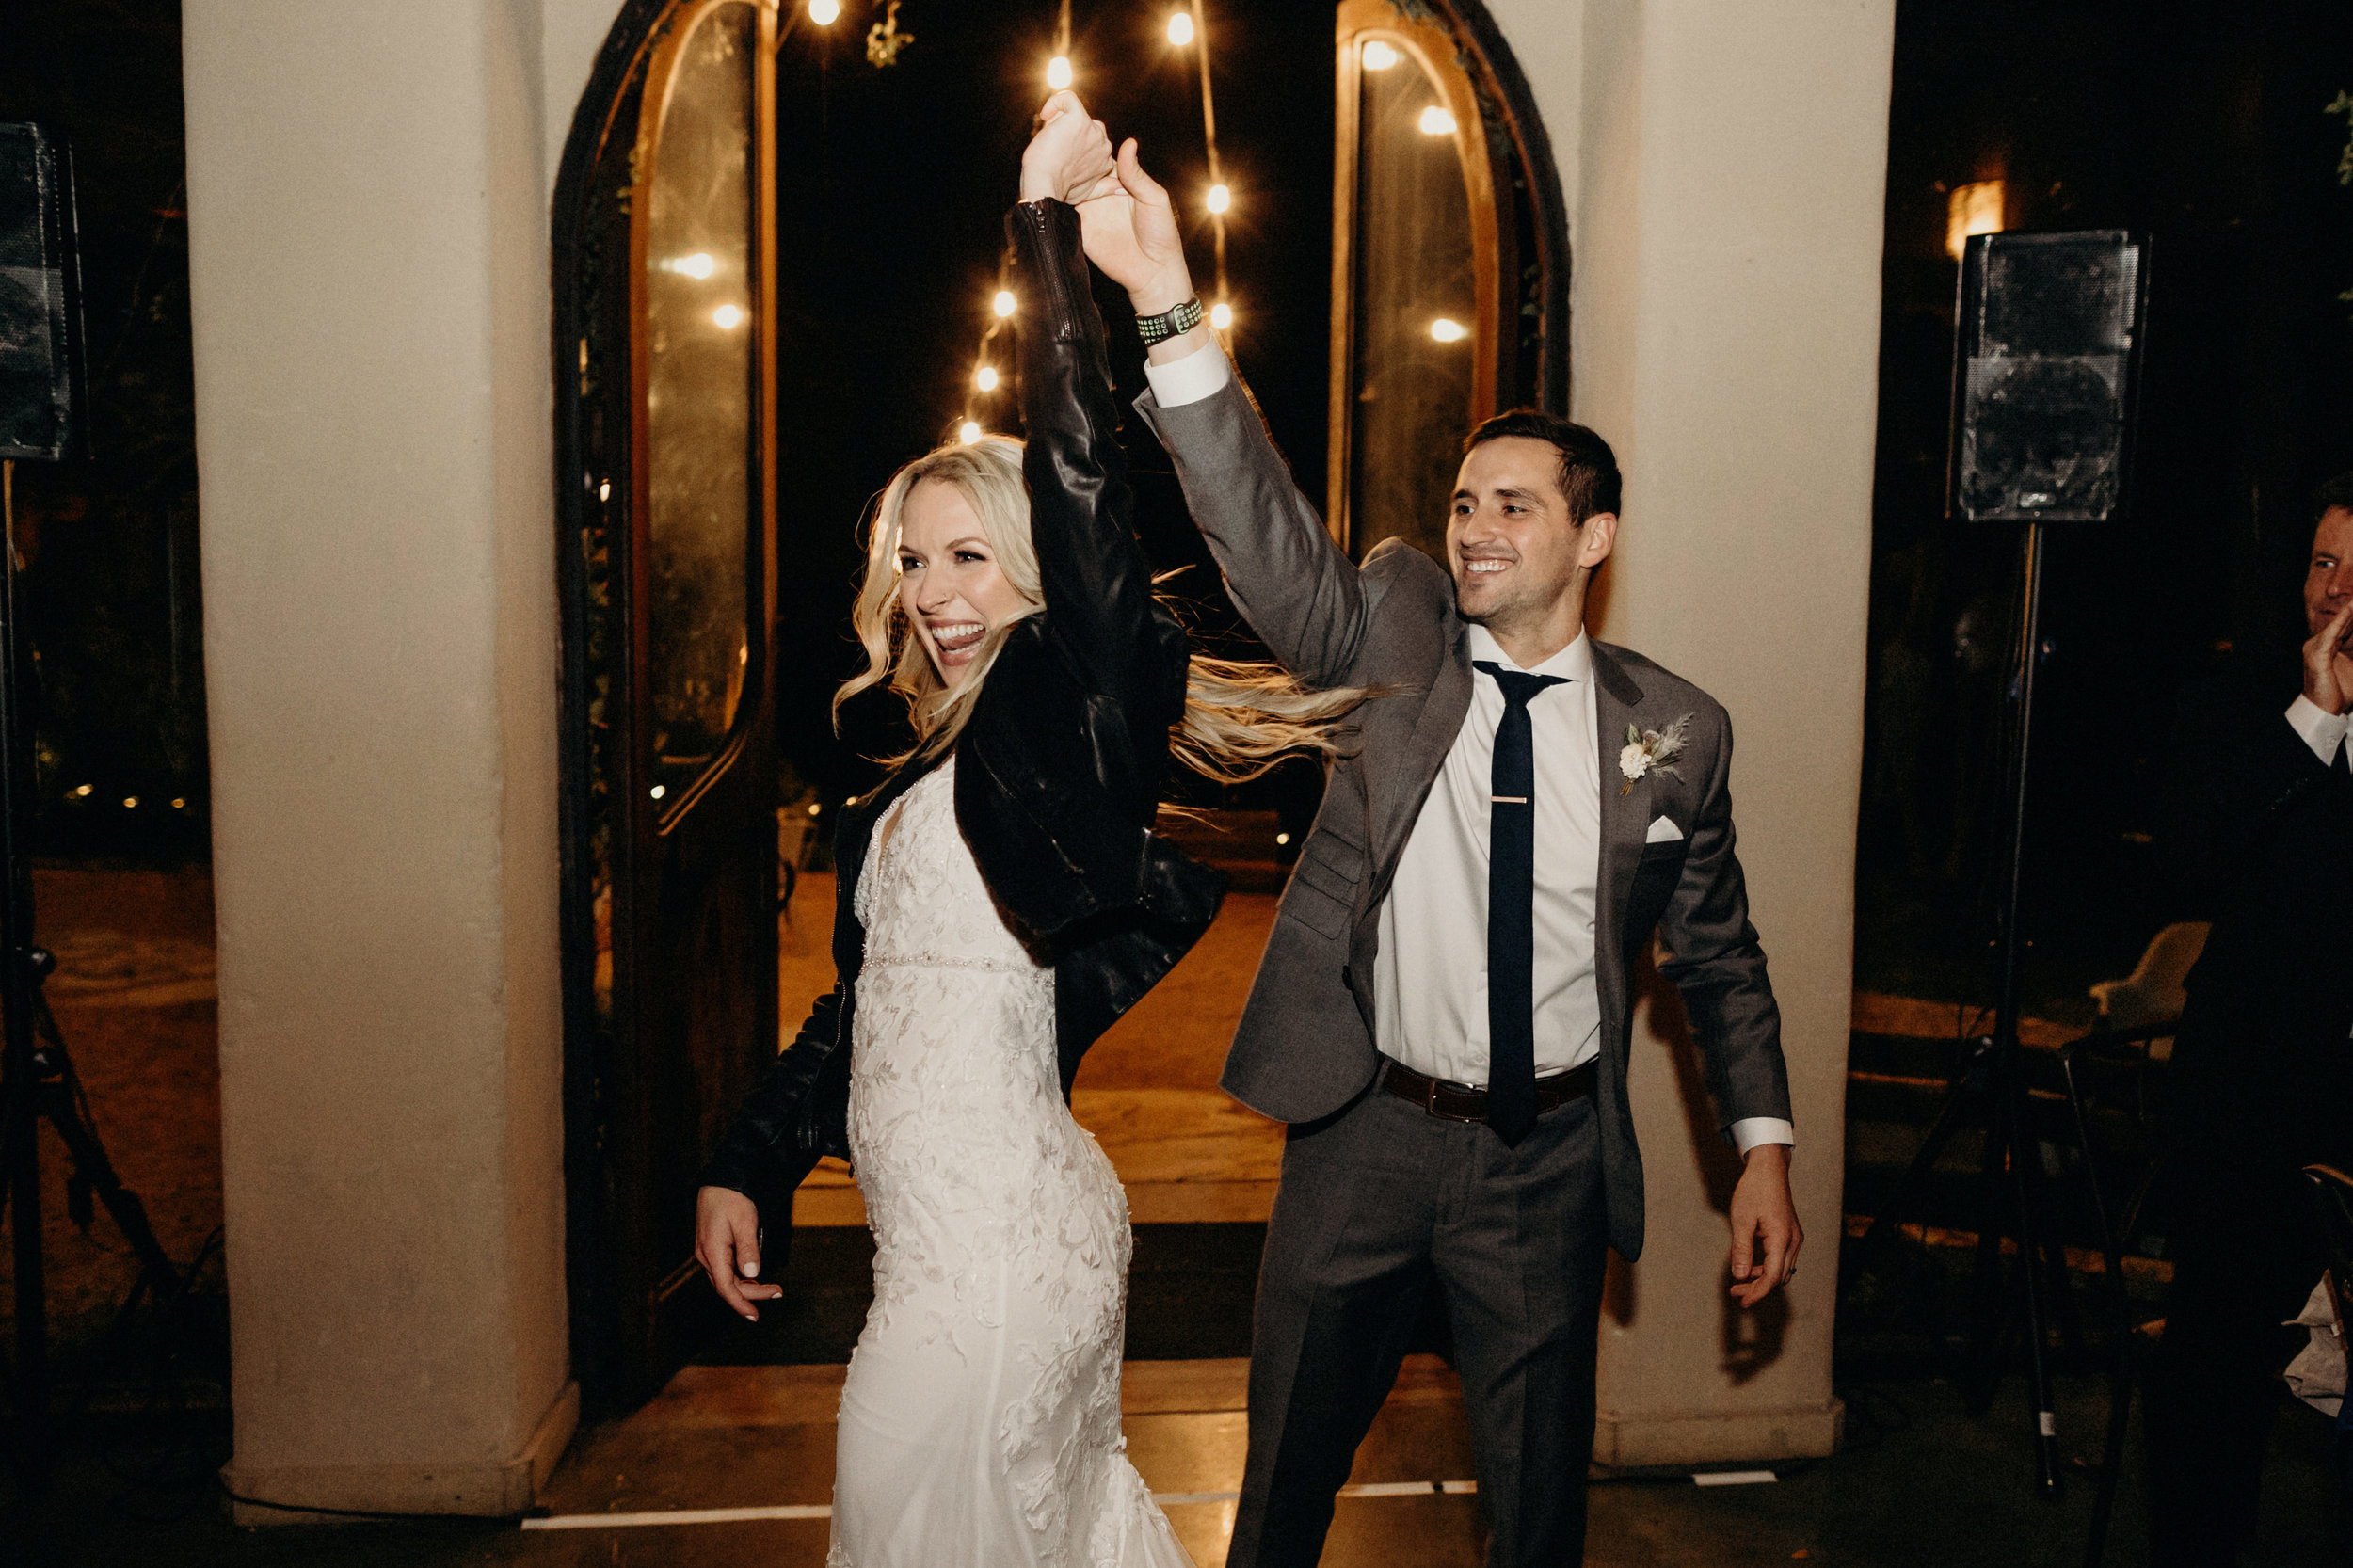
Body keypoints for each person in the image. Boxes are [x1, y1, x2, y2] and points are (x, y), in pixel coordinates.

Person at [1074, 141, 1802, 1567]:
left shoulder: (1679, 732)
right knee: (1280, 1483)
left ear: (1594, 536)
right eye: (1465, 501)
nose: (1475, 526)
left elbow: (1718, 960)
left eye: (1513, 505)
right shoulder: (1396, 642)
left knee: (1534, 1517)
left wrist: (1761, 1148)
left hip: (1547, 1167)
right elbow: (1264, 537)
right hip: (1365, 1131)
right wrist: (1165, 301)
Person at [691, 97, 1358, 1568]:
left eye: (970, 555)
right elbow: (867, 1008)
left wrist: (1049, 239)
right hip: (937, 1248)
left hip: (992, 1260)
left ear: (1039, 569)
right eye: (913, 558)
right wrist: (748, 1156)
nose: (932, 588)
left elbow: (1081, 478)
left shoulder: (1065, 713)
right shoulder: (915, 775)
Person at [2143, 472, 2353, 1567]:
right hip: (2252, 1119)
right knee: (2210, 1394)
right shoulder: (2246, 709)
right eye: (2323, 564)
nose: (2337, 594)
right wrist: (2313, 719)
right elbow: (2185, 862)